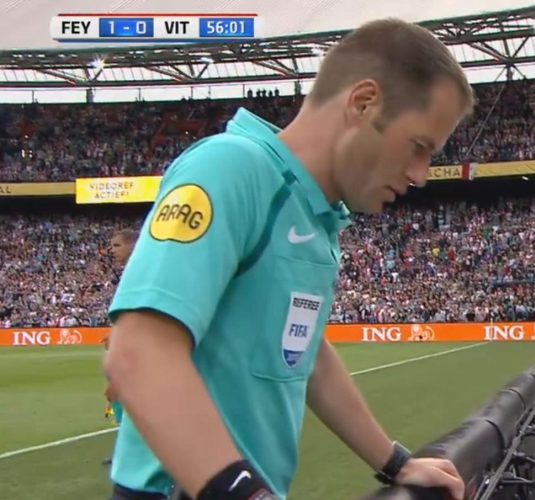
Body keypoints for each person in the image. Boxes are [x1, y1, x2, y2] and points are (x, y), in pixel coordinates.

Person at [103, 19, 473, 500]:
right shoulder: (231, 167)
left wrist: (395, 462)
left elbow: (307, 357)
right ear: (363, 102)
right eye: (419, 147)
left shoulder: (317, 217)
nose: (422, 175)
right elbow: (137, 354)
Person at [102, 228, 138, 466]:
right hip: (129, 346)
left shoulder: (138, 272)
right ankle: (127, 450)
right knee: (118, 398)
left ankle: (131, 454)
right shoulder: (130, 272)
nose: (111, 251)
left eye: (117, 246)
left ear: (132, 245)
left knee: (121, 395)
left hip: (137, 351)